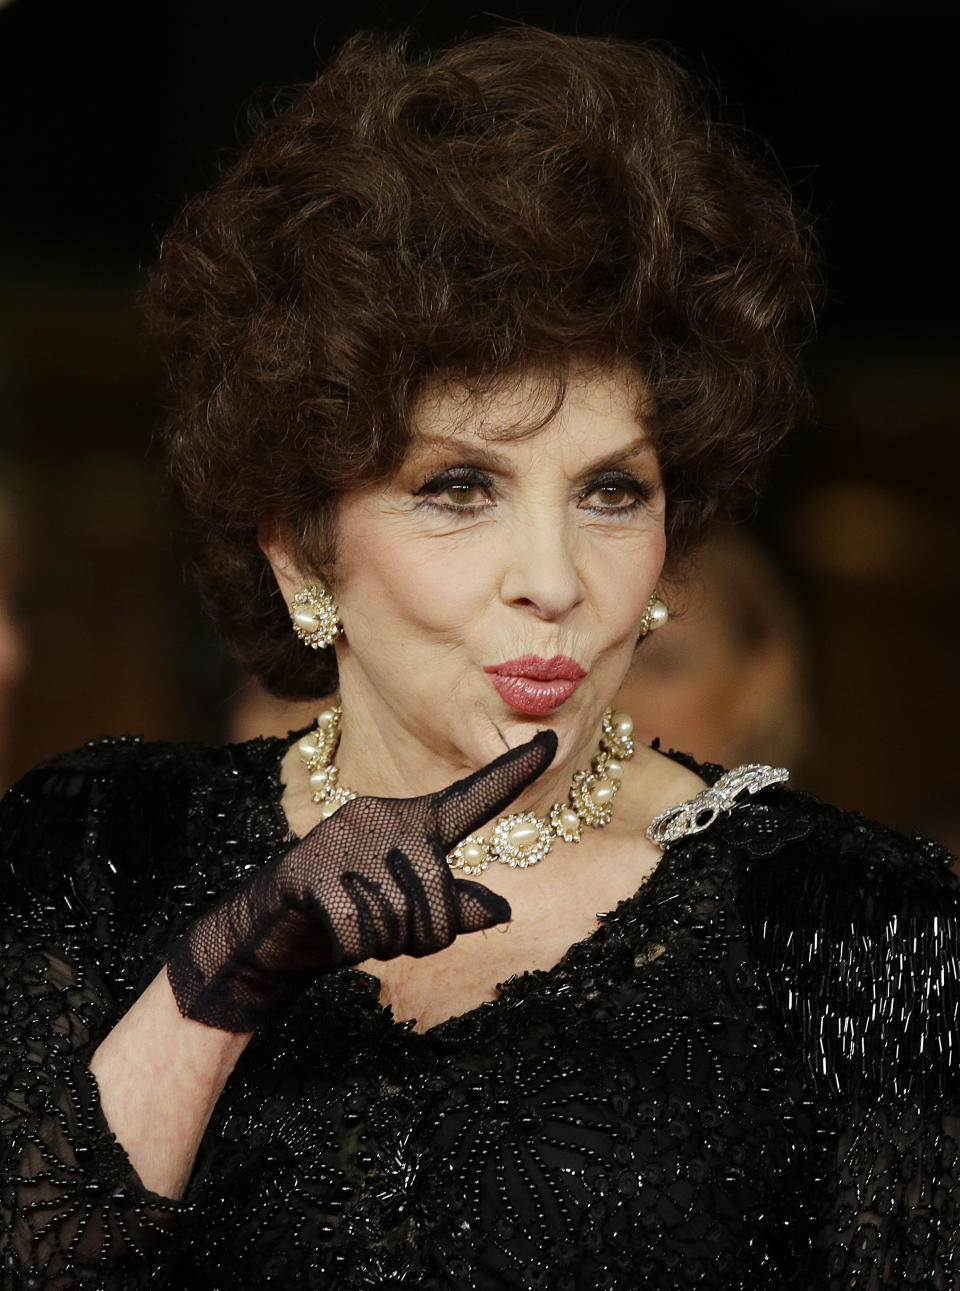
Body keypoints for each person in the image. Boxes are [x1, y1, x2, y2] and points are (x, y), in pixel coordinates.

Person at [1, 28, 957, 1291]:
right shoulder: (99, 847)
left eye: (613, 493)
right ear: (299, 551)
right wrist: (229, 968)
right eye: (460, 486)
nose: (555, 578)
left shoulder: (859, 922)